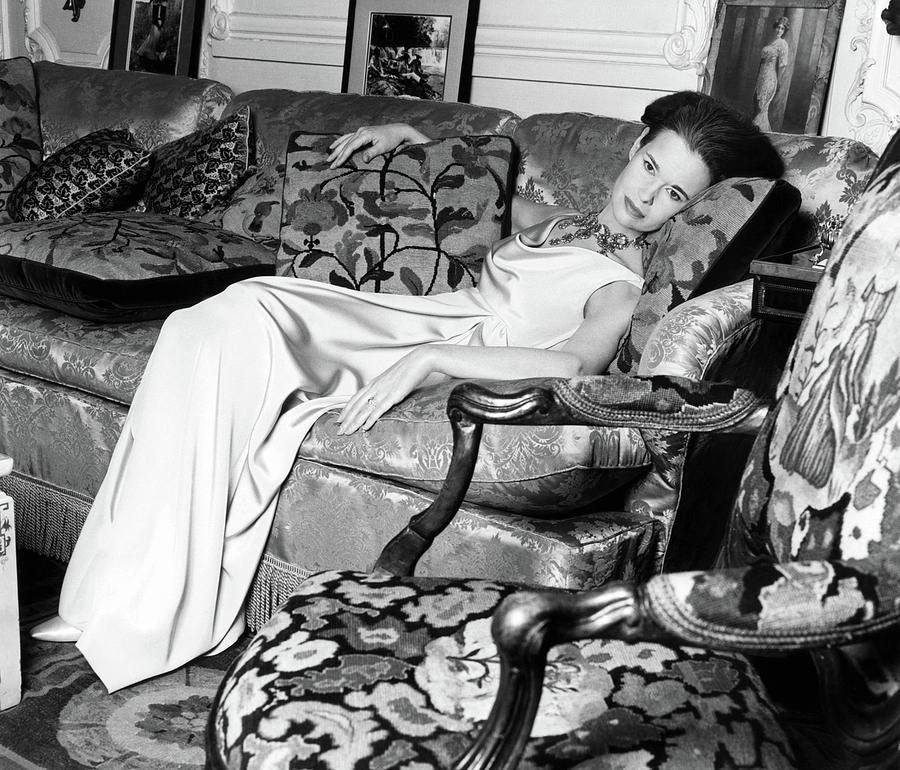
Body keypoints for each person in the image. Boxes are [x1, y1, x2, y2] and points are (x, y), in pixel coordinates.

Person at [31, 92, 784, 692]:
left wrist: (432, 357)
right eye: (650, 166)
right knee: (206, 324)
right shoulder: (564, 225)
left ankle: (148, 609)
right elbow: (483, 199)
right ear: (633, 149)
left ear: (692, 212)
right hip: (411, 317)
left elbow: (580, 367)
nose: (648, 197)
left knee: (242, 313)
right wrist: (403, 137)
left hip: (436, 337)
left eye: (677, 195)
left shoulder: (621, 286)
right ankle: (115, 594)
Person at [752, 16, 791, 131]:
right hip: (761, 77)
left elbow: (783, 65)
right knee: (757, 103)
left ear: (784, 31)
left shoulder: (783, 44)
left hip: (770, 78)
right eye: (778, 27)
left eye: (782, 29)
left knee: (762, 107)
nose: (779, 30)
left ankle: (762, 131)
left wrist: (778, 81)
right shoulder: (771, 42)